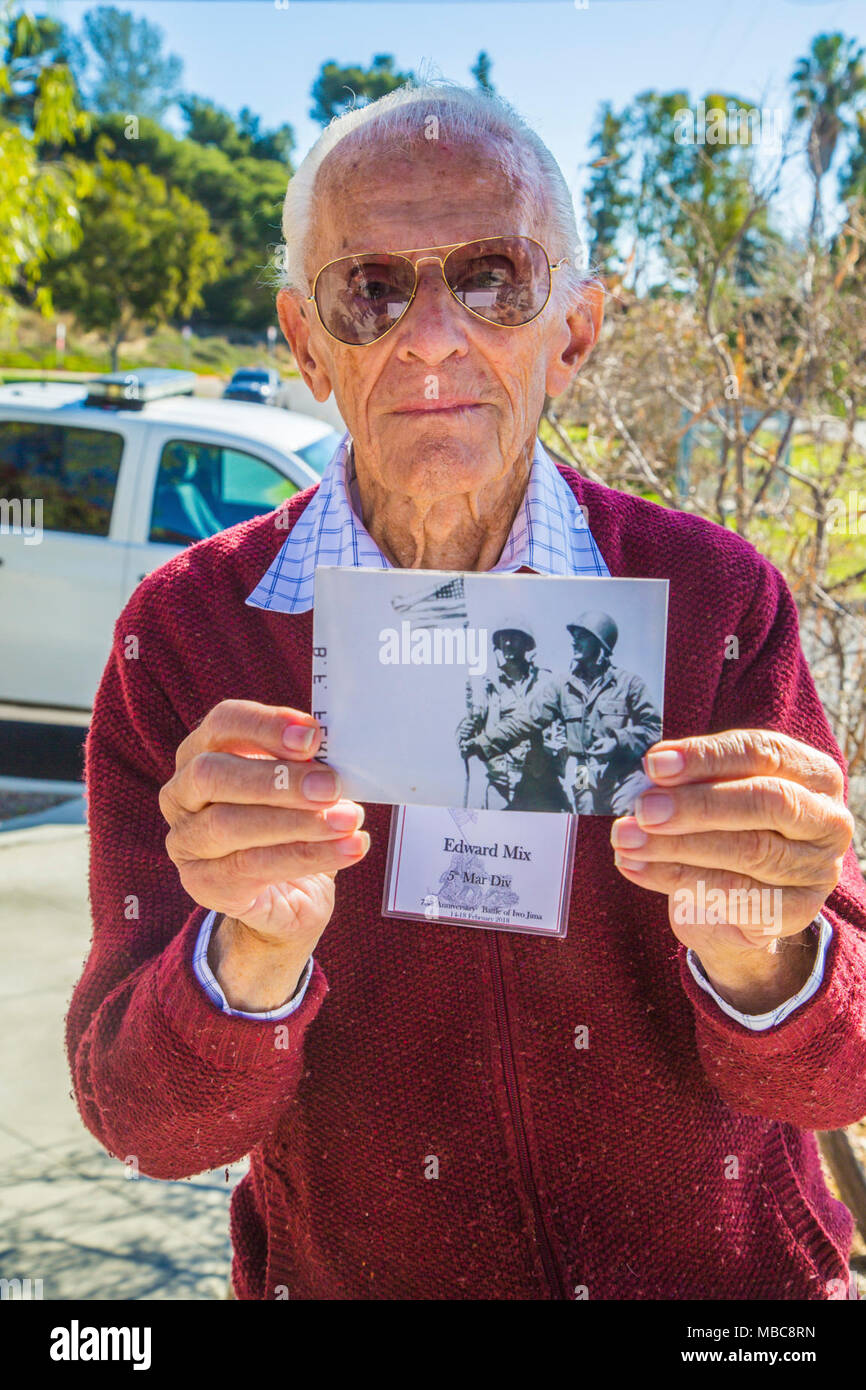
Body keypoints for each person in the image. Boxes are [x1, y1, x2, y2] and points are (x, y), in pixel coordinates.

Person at [67, 81, 866, 1301]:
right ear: (304, 343)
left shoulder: (714, 604)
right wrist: (247, 958)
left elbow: (837, 1076)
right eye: (372, 288)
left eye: (492, 276)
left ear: (577, 331)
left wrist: (767, 961)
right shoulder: (183, 639)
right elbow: (144, 1128)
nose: (430, 335)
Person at [464, 610, 661, 814]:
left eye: (582, 637)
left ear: (599, 643)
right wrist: (482, 743)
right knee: (586, 812)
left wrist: (617, 741)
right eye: (574, 638)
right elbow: (524, 720)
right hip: (583, 770)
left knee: (627, 813)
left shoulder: (629, 684)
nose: (574, 643)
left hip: (623, 772)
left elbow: (656, 729)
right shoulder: (561, 686)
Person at [456, 620, 570, 810]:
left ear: (527, 644)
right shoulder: (487, 685)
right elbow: (468, 723)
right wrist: (464, 733)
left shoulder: (547, 682)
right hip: (502, 787)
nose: (508, 643)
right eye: (504, 638)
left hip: (542, 785)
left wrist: (557, 752)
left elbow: (567, 727)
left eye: (514, 637)